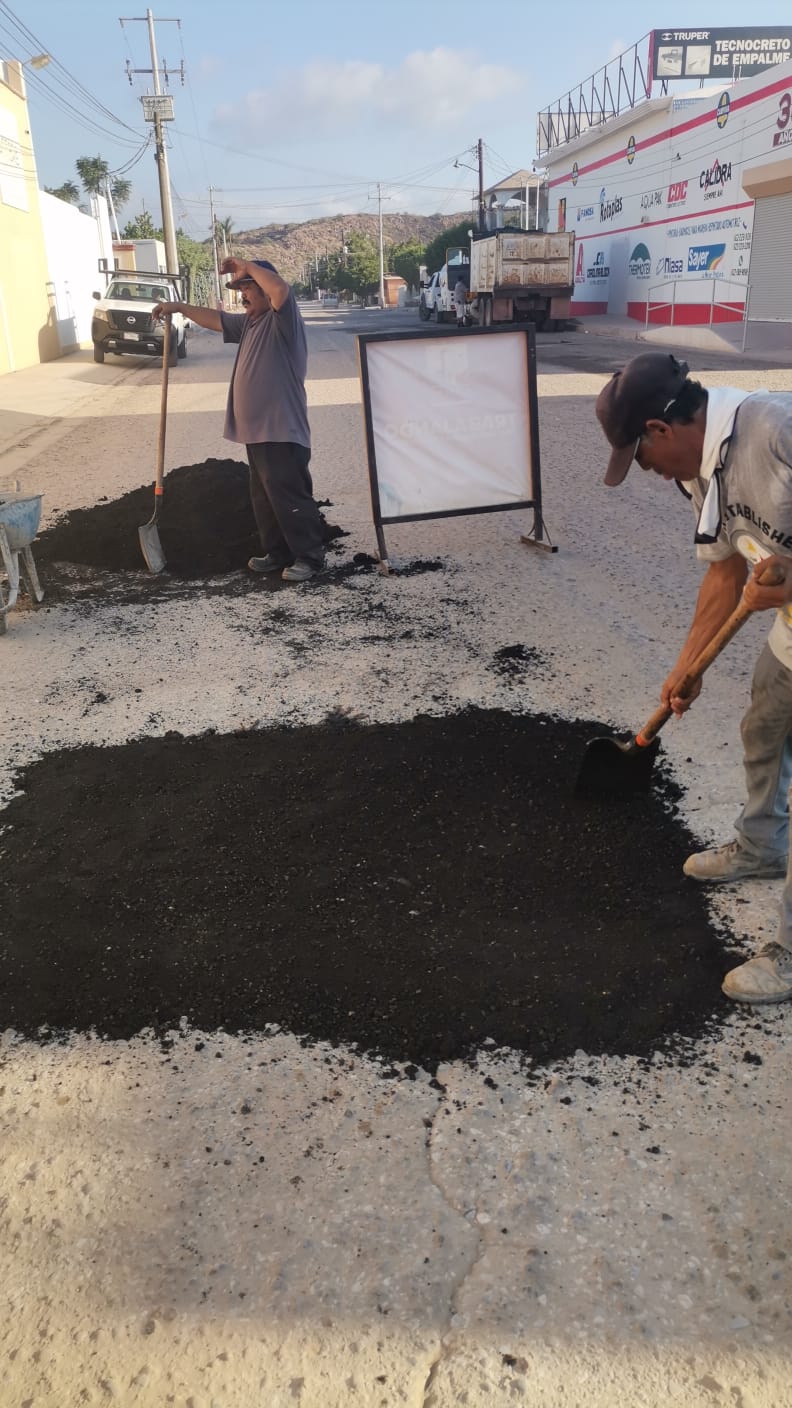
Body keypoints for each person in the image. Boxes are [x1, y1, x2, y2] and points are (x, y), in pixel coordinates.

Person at [596, 350, 792, 1006]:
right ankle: (762, 846)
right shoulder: (703, 471)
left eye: (642, 459)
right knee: (765, 728)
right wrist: (688, 667)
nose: (649, 474)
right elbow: (725, 570)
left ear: (660, 430)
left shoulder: (773, 432)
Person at [152, 257, 327, 582]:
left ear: (264, 291)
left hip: (282, 429)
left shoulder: (282, 321)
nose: (243, 295)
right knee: (264, 497)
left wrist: (245, 265)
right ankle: (277, 553)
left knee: (288, 494)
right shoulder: (250, 322)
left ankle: (310, 557)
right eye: (242, 289)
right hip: (257, 432)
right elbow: (215, 319)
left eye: (249, 289)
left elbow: (281, 288)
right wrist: (178, 307)